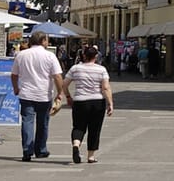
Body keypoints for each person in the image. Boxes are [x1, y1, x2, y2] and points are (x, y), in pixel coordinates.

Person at [11, 31, 65, 162]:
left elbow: (14, 75)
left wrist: (16, 88)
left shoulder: (21, 55)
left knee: (27, 121)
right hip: (43, 95)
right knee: (43, 123)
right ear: (43, 41)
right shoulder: (50, 56)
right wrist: (60, 92)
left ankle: (27, 150)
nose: (48, 43)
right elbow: (57, 76)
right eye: (46, 40)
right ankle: (40, 149)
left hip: (26, 94)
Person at [66, 44, 114, 163]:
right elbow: (106, 88)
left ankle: (76, 145)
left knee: (78, 126)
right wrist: (110, 103)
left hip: (80, 101)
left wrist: (68, 96)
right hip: (97, 102)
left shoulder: (75, 68)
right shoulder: (101, 69)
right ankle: (91, 156)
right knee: (95, 128)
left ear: (84, 55)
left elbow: (64, 84)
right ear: (96, 57)